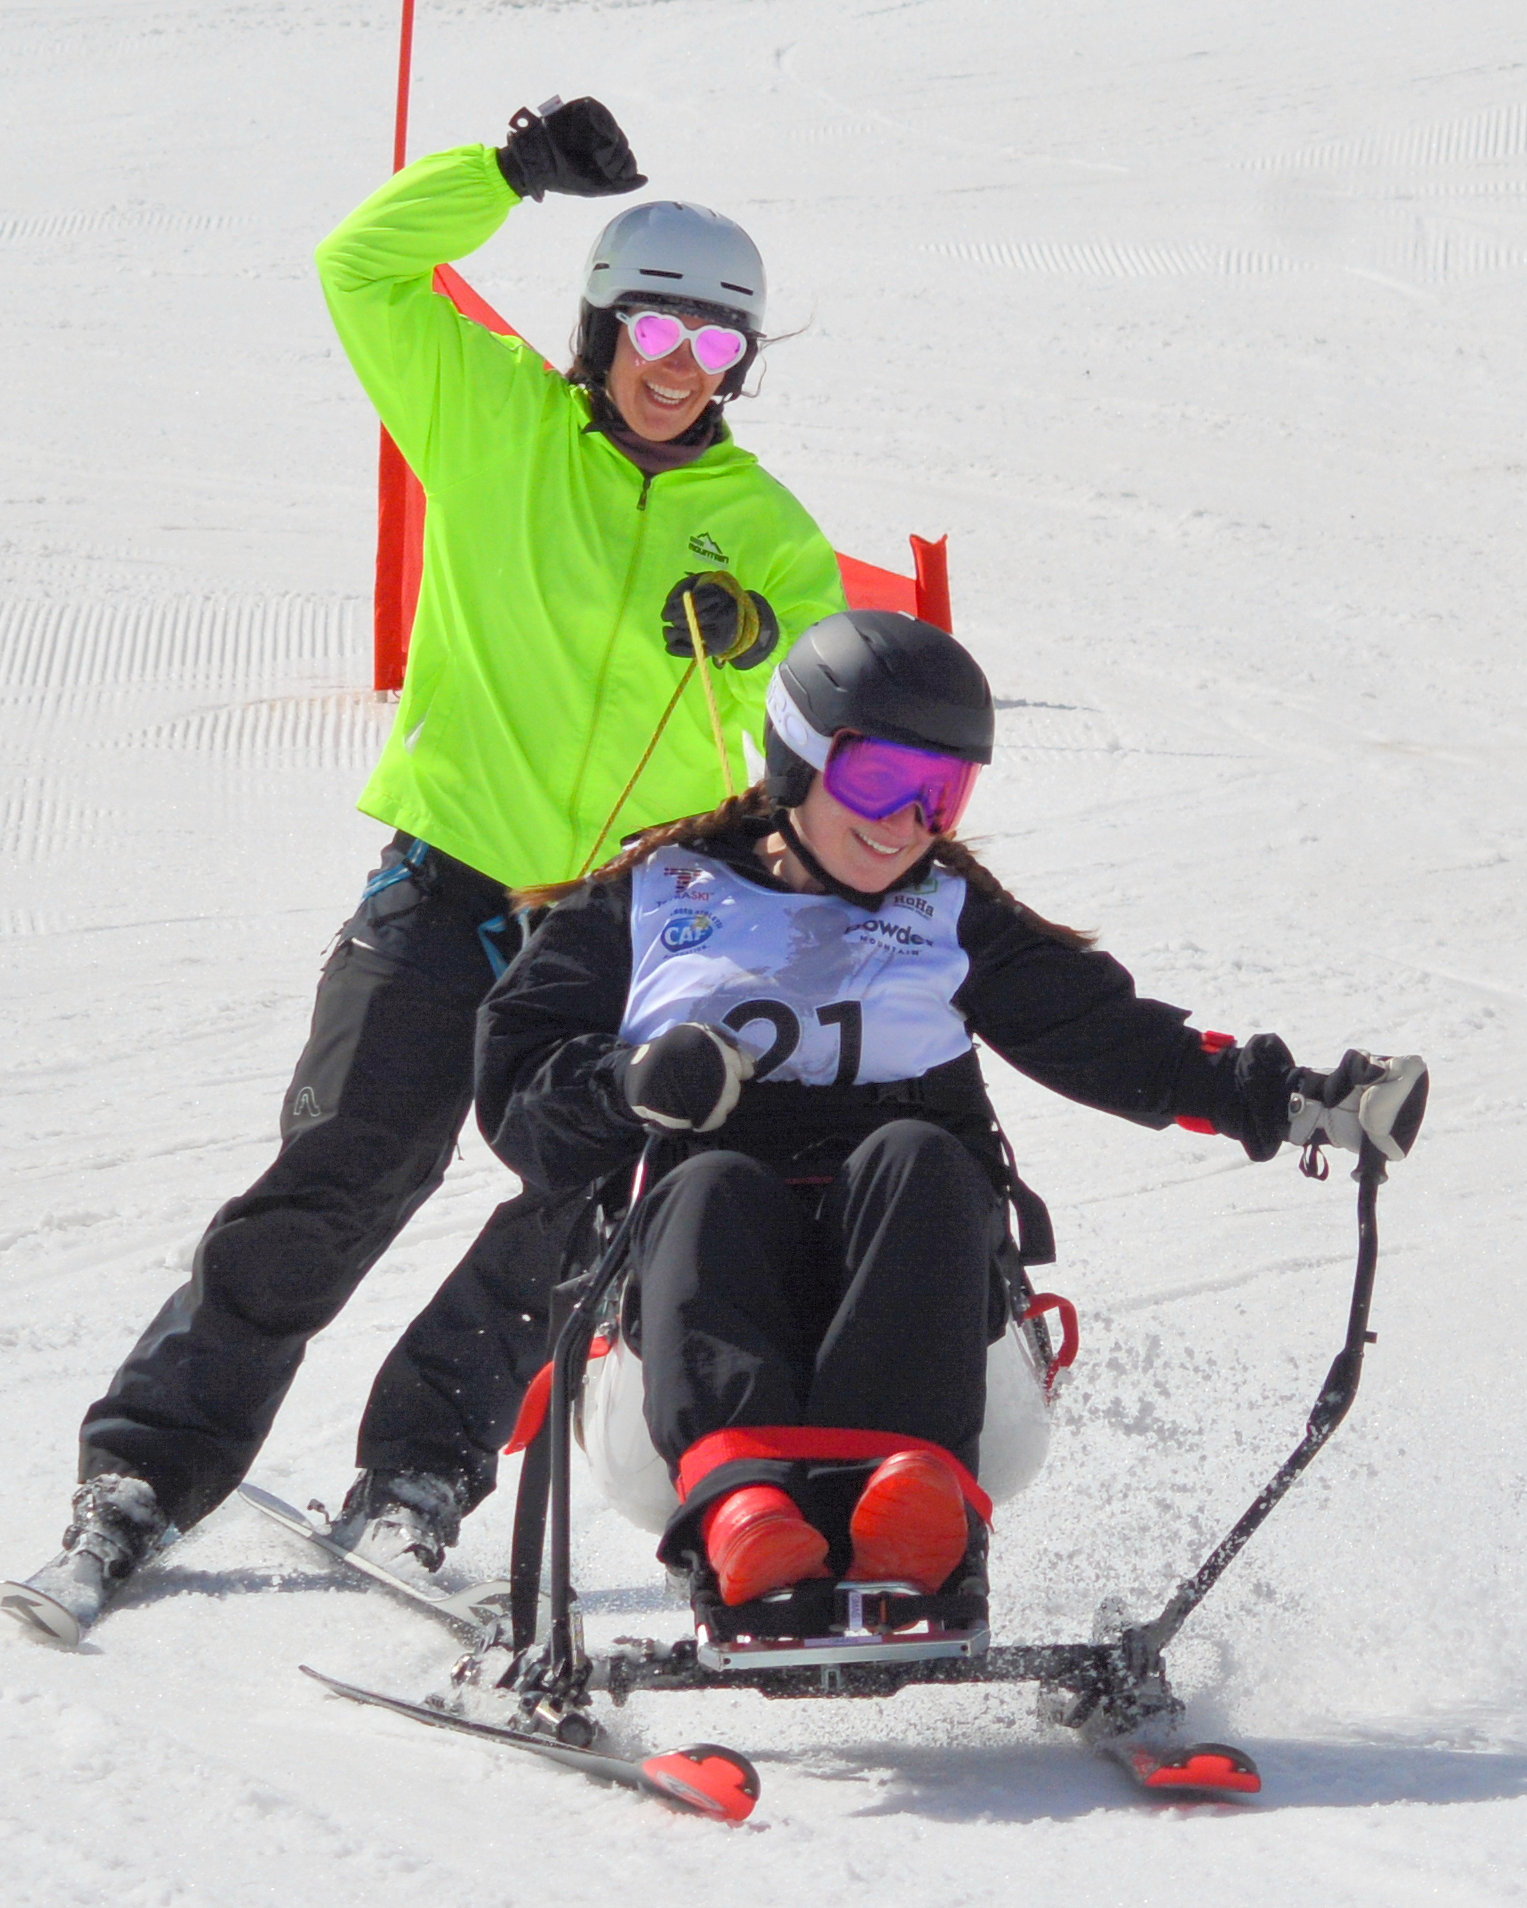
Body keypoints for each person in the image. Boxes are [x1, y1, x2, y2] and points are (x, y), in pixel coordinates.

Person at [37, 97, 846, 1632]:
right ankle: (144, 1470)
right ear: (601, 328)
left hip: (632, 924)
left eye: (717, 350)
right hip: (451, 884)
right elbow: (361, 268)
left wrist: (754, 649)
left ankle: (416, 1477)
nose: (679, 373)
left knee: (582, 1198)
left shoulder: (764, 531)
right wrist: (507, 172)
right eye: (655, 333)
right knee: (347, 1168)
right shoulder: (494, 423)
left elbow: (817, 716)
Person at [468, 610, 1428, 1611]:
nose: (904, 822)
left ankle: (910, 1506)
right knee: (709, 1182)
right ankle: (744, 1510)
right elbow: (517, 1092)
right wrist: (630, 1083)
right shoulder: (654, 900)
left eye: (941, 793)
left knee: (921, 1158)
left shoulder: (948, 916)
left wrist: (1303, 1103)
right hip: (680, 1361)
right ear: (798, 757)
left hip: (935, 1338)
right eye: (879, 780)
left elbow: (1117, 1042)